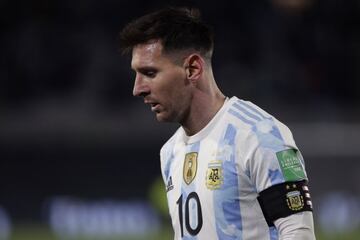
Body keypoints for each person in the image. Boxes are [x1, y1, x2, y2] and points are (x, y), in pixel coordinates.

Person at [119, 7, 315, 240]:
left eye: (149, 73)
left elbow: (298, 233)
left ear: (192, 69)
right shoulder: (170, 152)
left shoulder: (258, 135)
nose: (137, 88)